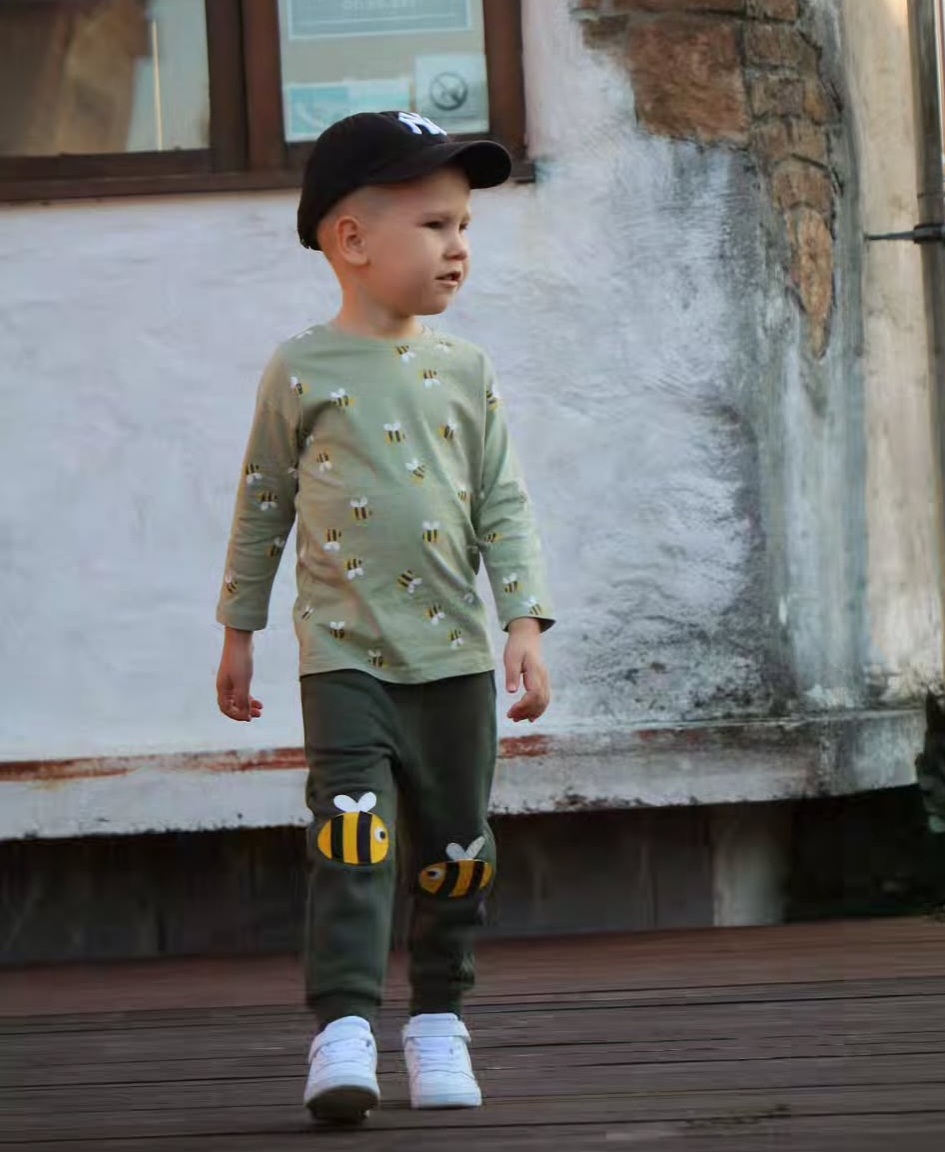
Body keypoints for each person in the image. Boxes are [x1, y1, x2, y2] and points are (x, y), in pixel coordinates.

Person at [213, 110, 554, 1124]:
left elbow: (502, 502)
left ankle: (438, 1019)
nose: (457, 246)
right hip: (345, 658)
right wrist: (239, 630)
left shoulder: (466, 371)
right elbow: (263, 503)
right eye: (434, 224)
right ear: (351, 240)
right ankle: (344, 1029)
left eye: (464, 227)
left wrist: (523, 621)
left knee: (456, 851)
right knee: (352, 842)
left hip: (452, 660)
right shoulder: (301, 371)